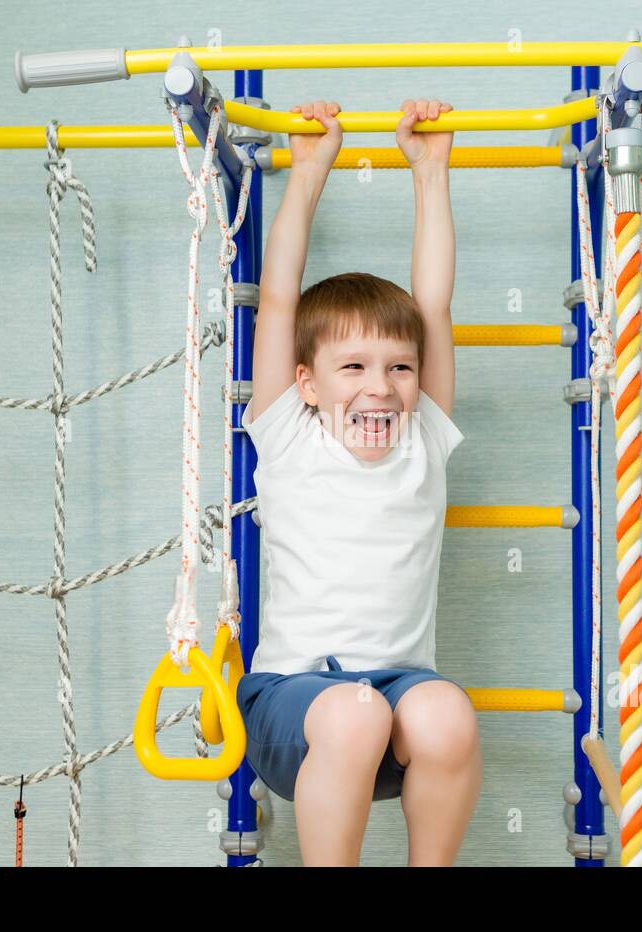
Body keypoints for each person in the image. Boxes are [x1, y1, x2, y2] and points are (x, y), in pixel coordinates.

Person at [236, 98, 482, 866]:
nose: (381, 387)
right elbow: (278, 300)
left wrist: (431, 173)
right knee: (351, 712)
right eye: (354, 368)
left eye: (399, 368)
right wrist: (308, 174)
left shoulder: (421, 441)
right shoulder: (287, 435)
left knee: (446, 715)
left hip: (395, 701)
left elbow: (432, 304)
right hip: (293, 709)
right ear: (306, 382)